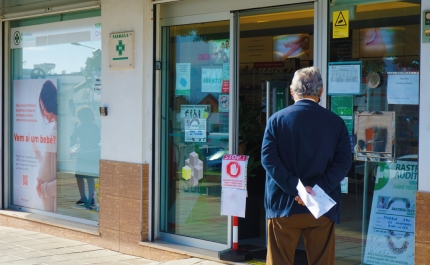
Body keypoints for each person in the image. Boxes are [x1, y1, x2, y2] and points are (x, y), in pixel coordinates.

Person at [261, 66, 351, 265]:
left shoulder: (276, 120)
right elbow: (344, 161)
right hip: (321, 206)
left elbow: (269, 159)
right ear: (320, 92)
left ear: (292, 91)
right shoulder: (336, 122)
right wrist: (317, 190)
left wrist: (297, 189)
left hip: (283, 206)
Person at [33, 80, 58, 212]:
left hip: (50, 196)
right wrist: (36, 151)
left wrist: (44, 189)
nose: (42, 113)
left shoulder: (59, 131)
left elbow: (67, 178)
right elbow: (48, 164)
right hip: (47, 194)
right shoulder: (55, 129)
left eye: (43, 107)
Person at [70, 106, 100, 207]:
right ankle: (91, 198)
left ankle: (83, 197)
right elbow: (97, 139)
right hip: (93, 153)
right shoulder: (94, 126)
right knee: (90, 177)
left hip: (83, 153)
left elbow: (73, 138)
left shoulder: (81, 127)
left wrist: (75, 127)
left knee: (79, 176)